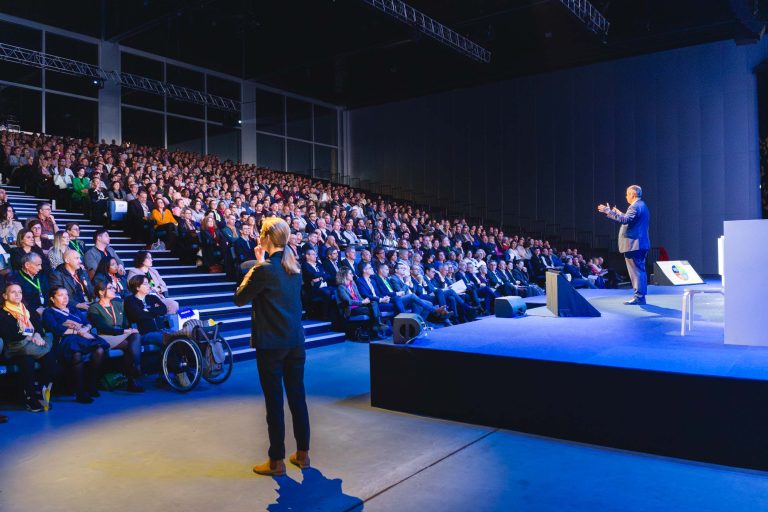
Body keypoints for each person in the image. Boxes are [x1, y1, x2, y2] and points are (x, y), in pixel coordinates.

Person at [233, 217, 310, 476]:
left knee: (275, 402)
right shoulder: (294, 268)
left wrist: (256, 262)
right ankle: (302, 455)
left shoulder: (263, 269)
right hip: (295, 341)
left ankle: (276, 461)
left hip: (271, 345)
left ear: (265, 238)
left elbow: (239, 298)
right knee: (298, 397)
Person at [42, 286, 109, 404]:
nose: (65, 298)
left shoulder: (73, 309)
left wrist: (85, 329)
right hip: (64, 340)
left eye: (66, 295)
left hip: (82, 336)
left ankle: (92, 385)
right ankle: (80, 391)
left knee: (99, 351)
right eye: (60, 295)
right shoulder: (49, 311)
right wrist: (78, 332)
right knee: (75, 353)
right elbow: (55, 328)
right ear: (52, 298)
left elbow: (88, 323)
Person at [0, 282, 57, 412]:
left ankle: (41, 391)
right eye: (13, 292)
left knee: (50, 359)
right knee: (27, 361)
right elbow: (9, 334)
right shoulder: (2, 313)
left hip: (31, 346)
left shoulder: (26, 309)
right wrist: (30, 335)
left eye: (19, 292)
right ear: (5, 295)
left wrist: (36, 334)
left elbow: (38, 326)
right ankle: (30, 399)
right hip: (14, 349)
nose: (17, 295)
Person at [87, 281, 144, 392]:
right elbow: (103, 327)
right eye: (110, 288)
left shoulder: (118, 304)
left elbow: (126, 323)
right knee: (129, 344)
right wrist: (125, 331)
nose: (114, 289)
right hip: (106, 336)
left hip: (121, 334)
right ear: (101, 292)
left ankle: (135, 369)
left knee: (135, 335)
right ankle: (133, 375)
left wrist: (128, 330)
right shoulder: (94, 308)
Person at [597, 185, 650, 305]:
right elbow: (630, 220)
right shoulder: (642, 205)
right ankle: (641, 296)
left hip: (634, 244)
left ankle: (639, 297)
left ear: (632, 194)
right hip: (640, 244)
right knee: (640, 270)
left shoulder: (635, 206)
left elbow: (625, 220)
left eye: (627, 194)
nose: (626, 196)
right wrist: (620, 213)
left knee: (636, 271)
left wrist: (608, 211)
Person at [124, 275, 171, 346]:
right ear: (137, 287)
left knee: (179, 335)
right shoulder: (130, 300)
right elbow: (139, 316)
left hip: (161, 330)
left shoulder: (152, 297)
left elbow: (164, 309)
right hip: (143, 333)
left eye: (148, 283)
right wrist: (155, 311)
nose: (149, 286)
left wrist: (148, 310)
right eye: (145, 284)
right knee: (165, 337)